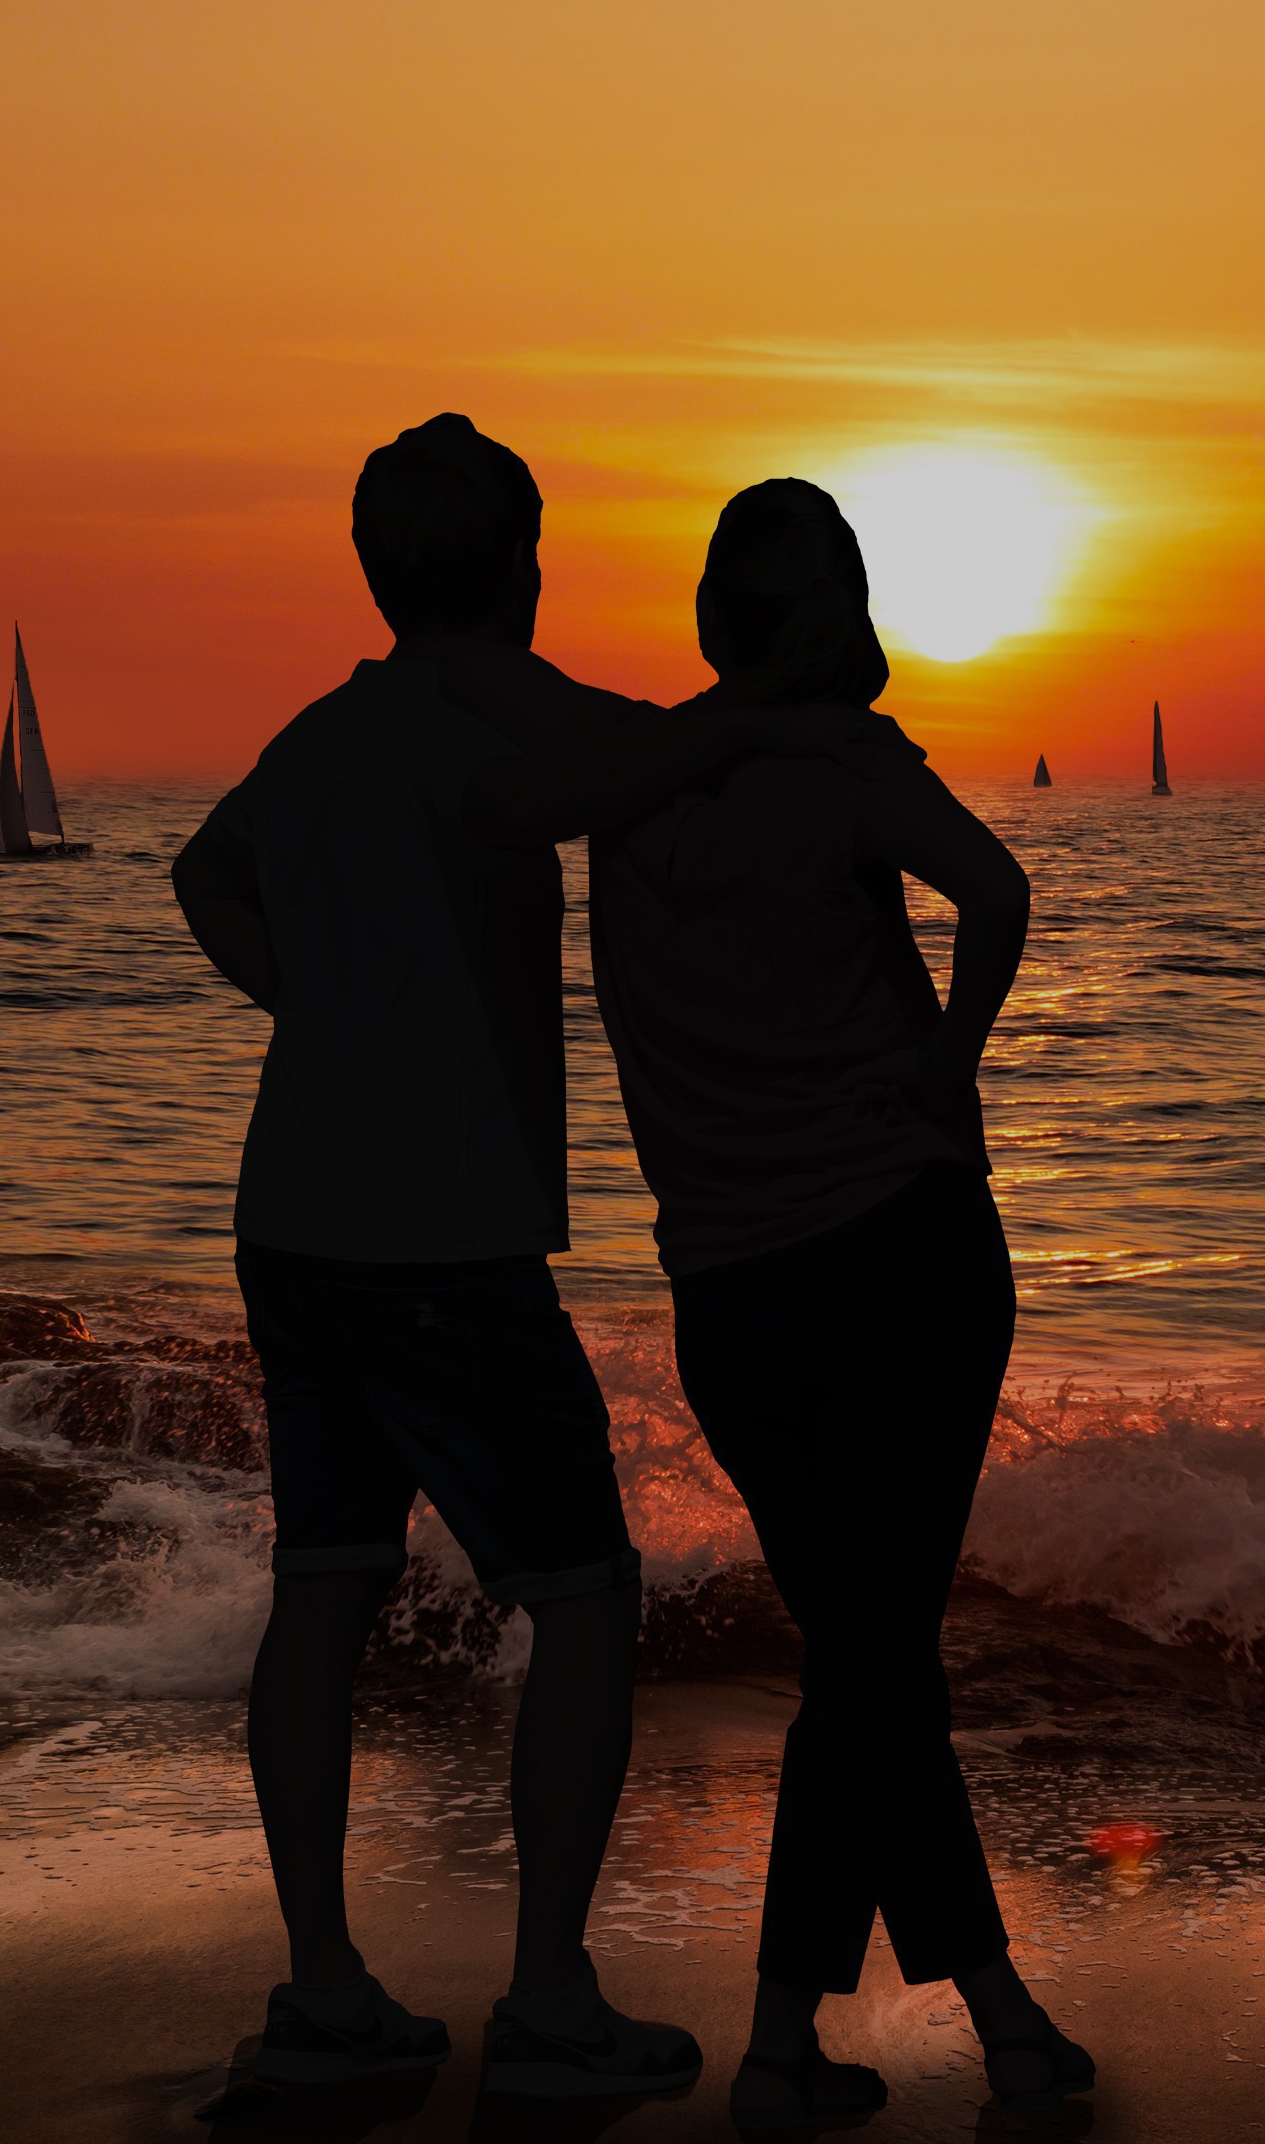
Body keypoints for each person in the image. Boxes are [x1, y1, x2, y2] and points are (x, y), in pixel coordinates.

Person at [169, 416, 908, 2102]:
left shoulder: (324, 732)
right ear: (525, 563)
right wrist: (767, 698)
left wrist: (314, 1000)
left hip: (291, 1223)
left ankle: (325, 1990)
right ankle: (553, 1997)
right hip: (441, 1238)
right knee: (584, 1597)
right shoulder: (469, 725)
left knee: (324, 1588)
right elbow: (600, 779)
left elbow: (207, 878)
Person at [440, 477, 1087, 2129]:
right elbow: (999, 896)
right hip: (902, 1259)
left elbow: (522, 769)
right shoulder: (847, 766)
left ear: (719, 617)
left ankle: (1007, 2013)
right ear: (845, 609)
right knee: (875, 1661)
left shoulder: (636, 794)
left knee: (874, 1656)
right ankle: (784, 2044)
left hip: (730, 1292)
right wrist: (947, 1068)